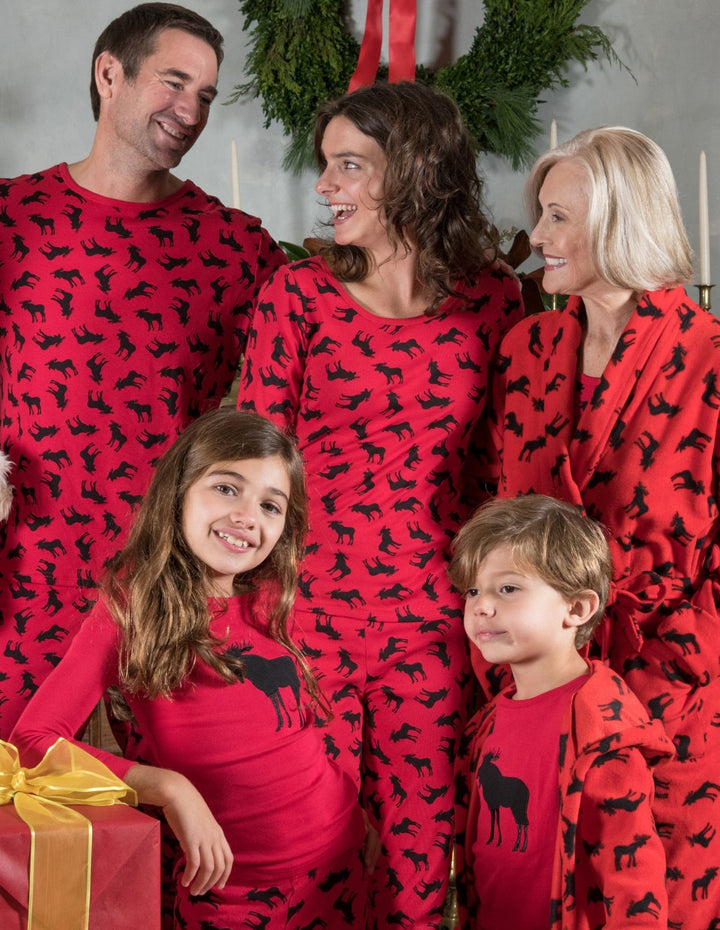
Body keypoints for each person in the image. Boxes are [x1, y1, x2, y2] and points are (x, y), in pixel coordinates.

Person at [237, 80, 524, 928]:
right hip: (303, 618)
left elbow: (495, 473)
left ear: (416, 172)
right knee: (306, 858)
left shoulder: (493, 299)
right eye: (326, 165)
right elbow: (249, 470)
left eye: (350, 166)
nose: (325, 187)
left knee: (419, 864)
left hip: (433, 625)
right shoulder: (297, 295)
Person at [0, 3, 287, 735]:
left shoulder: (237, 249)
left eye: (206, 96)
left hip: (161, 579)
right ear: (109, 74)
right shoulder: (12, 218)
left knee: (167, 798)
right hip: (22, 570)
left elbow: (294, 394)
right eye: (174, 82)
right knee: (13, 782)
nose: (191, 112)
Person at [12, 408, 373, 930]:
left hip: (341, 861)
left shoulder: (278, 597)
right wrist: (168, 788)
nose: (247, 516)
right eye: (227, 489)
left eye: (270, 505)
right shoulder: (131, 608)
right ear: (179, 490)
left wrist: (359, 818)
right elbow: (32, 741)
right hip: (227, 890)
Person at [488, 127, 720, 925]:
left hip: (668, 696)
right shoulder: (527, 349)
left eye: (559, 218)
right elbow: (495, 513)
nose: (537, 237)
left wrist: (672, 668)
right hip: (538, 684)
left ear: (622, 221)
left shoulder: (710, 358)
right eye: (540, 214)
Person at [448, 494, 673, 930]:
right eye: (473, 590)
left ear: (576, 608)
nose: (481, 606)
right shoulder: (486, 724)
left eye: (507, 589)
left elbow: (633, 882)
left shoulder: (604, 734)